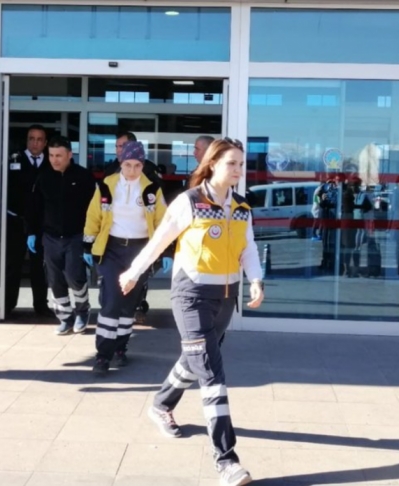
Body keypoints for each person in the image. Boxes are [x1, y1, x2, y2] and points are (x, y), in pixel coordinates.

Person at [119, 137, 263, 486]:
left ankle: (161, 405)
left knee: (194, 358)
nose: (238, 170)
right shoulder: (190, 201)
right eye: (231, 163)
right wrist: (133, 272)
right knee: (211, 373)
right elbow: (160, 240)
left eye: (241, 164)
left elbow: (248, 247)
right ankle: (227, 460)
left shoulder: (241, 207)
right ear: (212, 164)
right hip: (191, 296)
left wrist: (256, 280)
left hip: (225, 297)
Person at [83, 141, 169, 375]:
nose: (132, 170)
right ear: (120, 163)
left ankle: (120, 348)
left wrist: (165, 251)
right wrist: (88, 245)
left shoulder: (152, 189)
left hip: (139, 252)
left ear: (143, 165)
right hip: (111, 249)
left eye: (137, 165)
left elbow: (163, 222)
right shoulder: (106, 186)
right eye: (128, 165)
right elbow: (93, 216)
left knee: (129, 304)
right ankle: (103, 355)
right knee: (111, 301)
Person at [27, 136, 95, 334]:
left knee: (75, 277)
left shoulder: (84, 176)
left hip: (76, 237)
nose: (54, 160)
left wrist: (90, 240)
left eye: (59, 155)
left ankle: (82, 312)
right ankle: (65, 317)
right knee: (55, 279)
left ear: (69, 155)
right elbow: (34, 207)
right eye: (51, 155)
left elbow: (94, 211)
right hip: (51, 237)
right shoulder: (44, 177)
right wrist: (32, 232)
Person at [5, 125, 52, 317]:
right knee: (12, 264)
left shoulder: (50, 162)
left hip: (40, 224)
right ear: (26, 140)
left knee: (39, 266)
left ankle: (41, 306)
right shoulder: (13, 160)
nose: (35, 143)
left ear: (45, 143)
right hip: (16, 221)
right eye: (31, 138)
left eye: (39, 139)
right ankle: (8, 305)